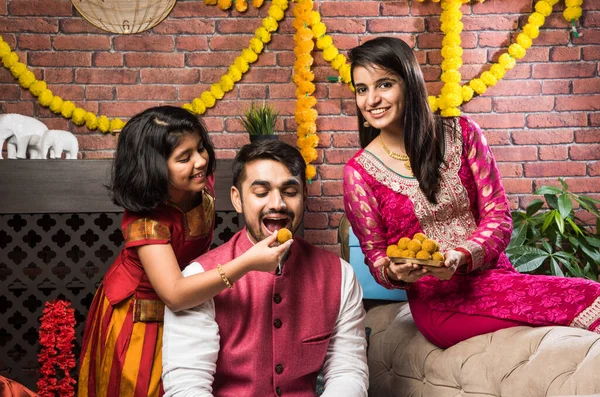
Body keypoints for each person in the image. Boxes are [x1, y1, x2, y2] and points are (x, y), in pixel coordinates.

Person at [343, 37, 600, 349]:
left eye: (384, 84)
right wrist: (396, 271)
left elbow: (499, 219)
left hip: (498, 278)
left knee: (590, 293)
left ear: (409, 83)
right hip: (439, 304)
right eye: (361, 89)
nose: (371, 99)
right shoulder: (359, 173)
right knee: (587, 295)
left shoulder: (463, 135)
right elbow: (376, 256)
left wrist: (460, 256)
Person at [77, 106, 293, 397]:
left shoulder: (199, 182)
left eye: (201, 148)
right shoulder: (146, 221)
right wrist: (247, 263)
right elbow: (175, 295)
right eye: (184, 157)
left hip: (192, 299)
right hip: (142, 316)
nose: (201, 161)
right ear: (154, 167)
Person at [162, 140, 369, 396]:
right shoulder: (198, 278)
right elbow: (186, 387)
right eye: (261, 192)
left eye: (290, 192)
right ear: (238, 200)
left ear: (304, 195)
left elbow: (347, 371)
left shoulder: (340, 275)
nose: (278, 204)